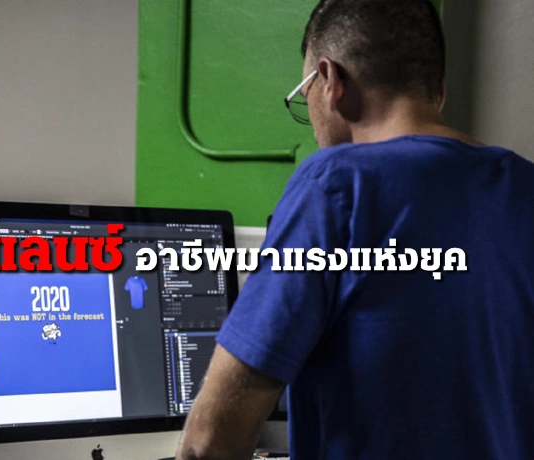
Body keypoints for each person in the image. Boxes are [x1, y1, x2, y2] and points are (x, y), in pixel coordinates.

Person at [175, 0, 534, 459]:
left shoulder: (334, 185)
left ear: (331, 82)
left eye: (304, 95)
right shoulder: (525, 186)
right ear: (438, 93)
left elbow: (210, 442)